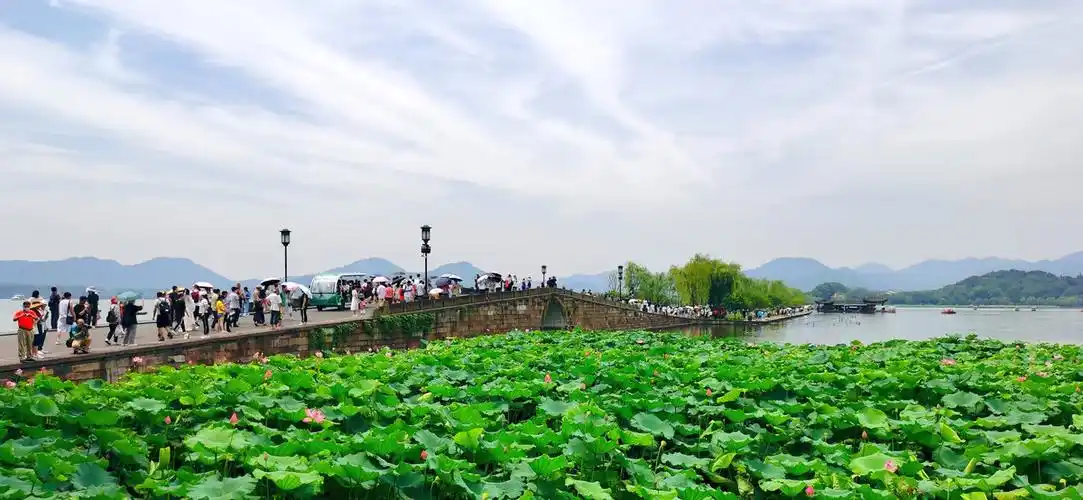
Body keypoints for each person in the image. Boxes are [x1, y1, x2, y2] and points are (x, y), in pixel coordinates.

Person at [29, 290, 48, 359]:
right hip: (35, 326)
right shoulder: (33, 311)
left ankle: (36, 353)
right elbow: (35, 320)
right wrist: (39, 318)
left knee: (37, 339)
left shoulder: (37, 311)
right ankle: (34, 353)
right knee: (35, 340)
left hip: (38, 325)